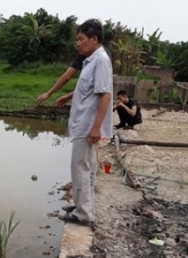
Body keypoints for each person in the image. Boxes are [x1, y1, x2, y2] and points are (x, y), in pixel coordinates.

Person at [59, 19, 113, 226]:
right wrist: (69, 96)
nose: (78, 43)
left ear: (94, 38)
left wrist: (97, 127)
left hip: (88, 125)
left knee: (80, 167)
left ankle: (83, 214)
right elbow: (89, 88)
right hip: (84, 123)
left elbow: (105, 95)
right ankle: (83, 205)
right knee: (86, 168)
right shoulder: (91, 60)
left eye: (81, 39)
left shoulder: (100, 60)